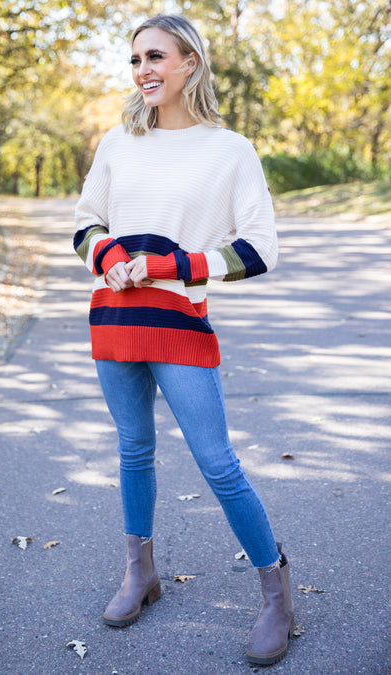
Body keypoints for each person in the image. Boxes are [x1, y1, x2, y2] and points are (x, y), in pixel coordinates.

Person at [74, 13, 294, 667]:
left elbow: (260, 250)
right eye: (135, 59)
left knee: (217, 461)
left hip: (180, 324)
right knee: (133, 450)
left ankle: (277, 590)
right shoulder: (117, 141)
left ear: (190, 63)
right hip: (113, 321)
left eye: (155, 57)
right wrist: (107, 253)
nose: (143, 69)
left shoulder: (231, 151)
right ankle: (140, 572)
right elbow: (85, 223)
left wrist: (174, 265)